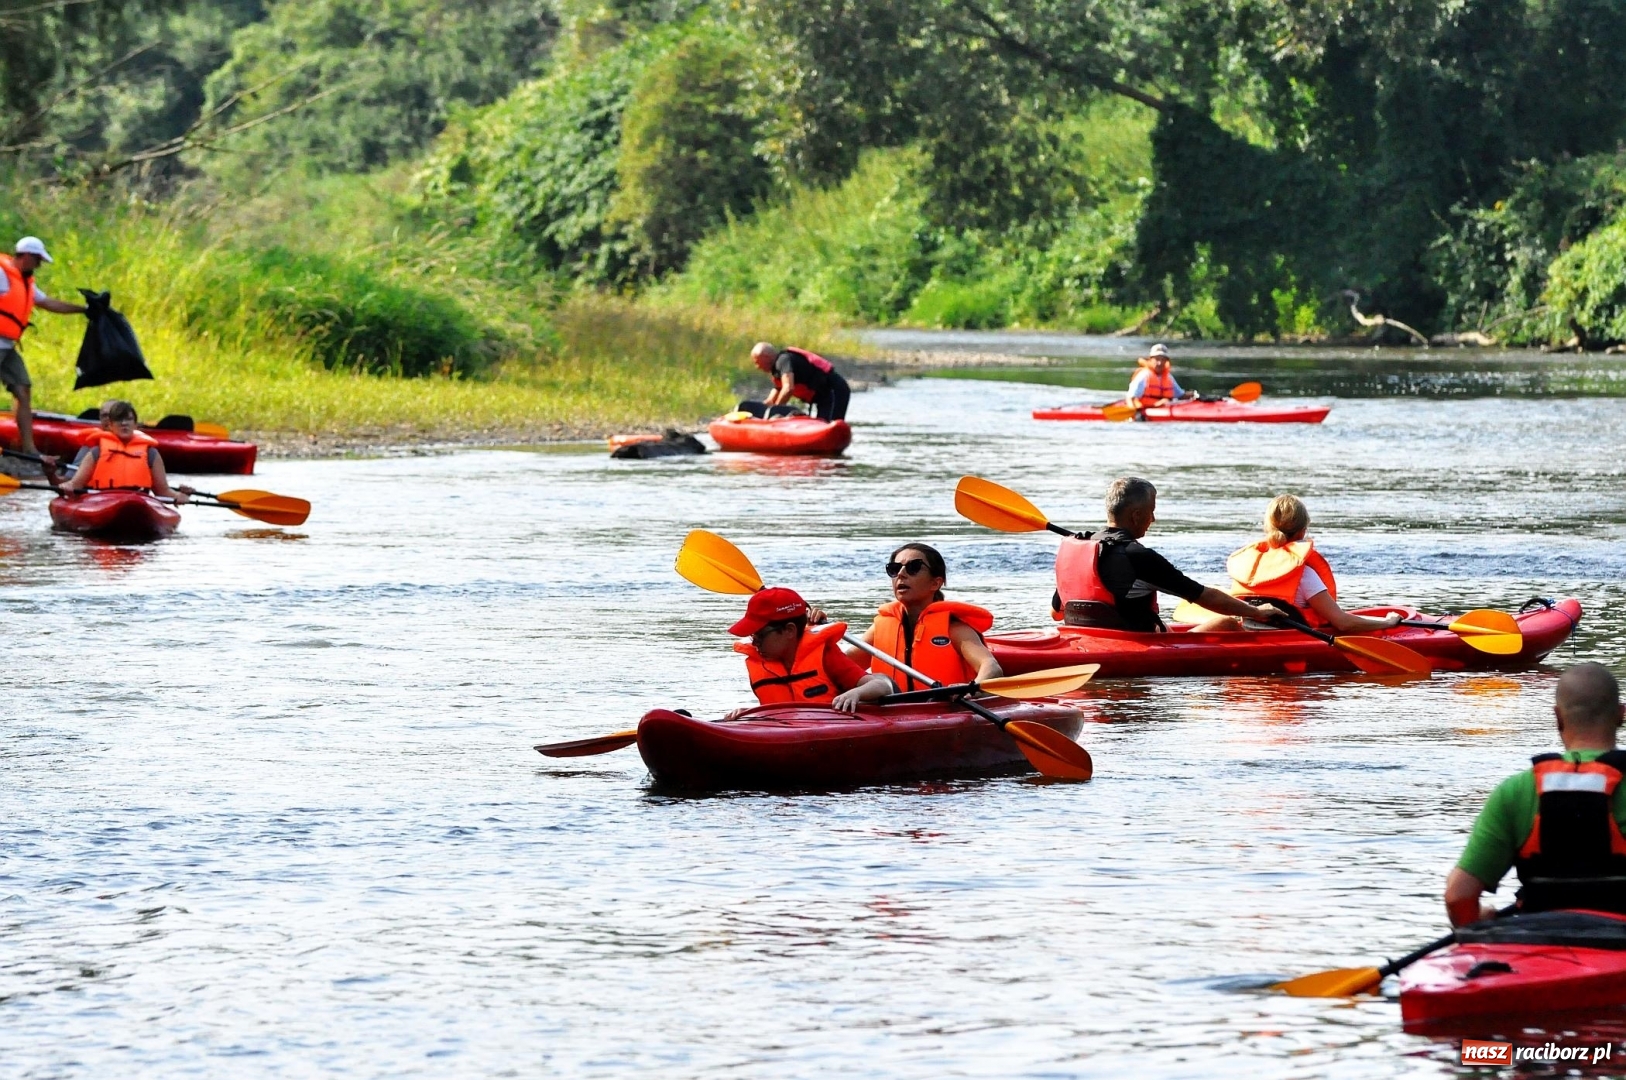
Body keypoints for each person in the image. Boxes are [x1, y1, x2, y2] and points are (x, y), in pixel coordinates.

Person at [1445, 664, 1626, 926]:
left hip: (1539, 946)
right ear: (1621, 715)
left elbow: (1458, 895)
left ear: (1558, 717)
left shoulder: (1515, 792)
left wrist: (1477, 928)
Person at [1052, 476, 1283, 633]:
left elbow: (1056, 613)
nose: (1153, 519)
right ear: (1136, 515)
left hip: (1084, 639)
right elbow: (1203, 596)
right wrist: (1256, 611)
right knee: (1228, 625)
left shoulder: (1080, 548)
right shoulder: (1139, 557)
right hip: (1136, 644)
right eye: (1151, 512)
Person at [1187, 495, 1405, 633]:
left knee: (1226, 624)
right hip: (1282, 639)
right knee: (1226, 624)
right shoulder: (1305, 574)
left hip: (1249, 630)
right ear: (1302, 531)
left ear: (1268, 529)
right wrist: (1388, 623)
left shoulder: (1253, 566)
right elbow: (1343, 624)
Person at [849, 543, 1003, 692]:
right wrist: (824, 629)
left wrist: (971, 690)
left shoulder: (954, 628)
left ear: (935, 583)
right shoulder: (880, 628)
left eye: (913, 568)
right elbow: (839, 666)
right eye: (894, 569)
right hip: (891, 711)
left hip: (945, 709)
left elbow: (991, 667)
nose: (901, 574)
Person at [729, 586, 891, 713]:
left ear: (789, 631)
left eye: (760, 634)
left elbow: (882, 686)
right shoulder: (759, 664)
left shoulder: (825, 655)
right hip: (787, 734)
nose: (755, 642)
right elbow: (774, 711)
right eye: (752, 635)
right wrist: (752, 714)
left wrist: (856, 693)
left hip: (829, 733)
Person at [0, 237, 87, 456]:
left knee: (23, 388)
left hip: (7, 345)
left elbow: (49, 303)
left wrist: (85, 309)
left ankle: (29, 451)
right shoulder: (1, 274)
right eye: (38, 261)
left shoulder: (26, 280)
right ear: (27, 256)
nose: (39, 266)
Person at [52, 399, 192, 503]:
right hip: (102, 500)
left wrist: (180, 496)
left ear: (135, 424)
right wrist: (67, 485)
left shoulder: (151, 454)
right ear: (110, 425)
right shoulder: (96, 452)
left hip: (138, 501)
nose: (124, 423)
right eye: (119, 420)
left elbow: (163, 491)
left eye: (129, 419)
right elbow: (76, 484)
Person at [736, 341, 852, 422]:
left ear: (766, 357)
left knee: (830, 426)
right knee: (822, 424)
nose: (757, 366)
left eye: (757, 361)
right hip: (823, 398)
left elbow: (788, 389)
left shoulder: (784, 360)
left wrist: (775, 411)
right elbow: (773, 398)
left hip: (835, 391)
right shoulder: (777, 371)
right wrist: (756, 413)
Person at [1125, 343, 1197, 411]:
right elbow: (1130, 398)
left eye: (1163, 360)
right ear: (1150, 359)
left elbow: (1180, 395)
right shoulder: (1144, 376)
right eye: (1157, 359)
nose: (1160, 363)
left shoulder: (1168, 377)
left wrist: (1195, 395)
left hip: (1164, 407)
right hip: (1145, 408)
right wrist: (1134, 411)